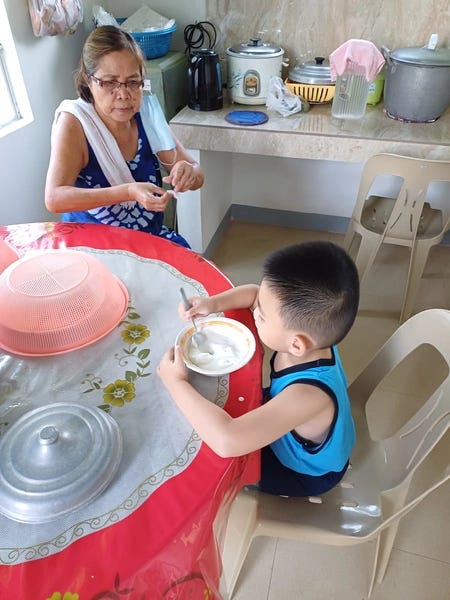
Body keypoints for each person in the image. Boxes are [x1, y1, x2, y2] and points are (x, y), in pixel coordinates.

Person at [157, 241, 360, 497]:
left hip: (303, 473)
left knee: (207, 462)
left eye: (262, 317)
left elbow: (228, 440)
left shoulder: (307, 396)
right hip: (290, 426)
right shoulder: (315, 339)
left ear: (296, 344)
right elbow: (254, 294)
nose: (255, 313)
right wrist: (211, 304)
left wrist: (176, 382)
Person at [45, 25, 204, 248]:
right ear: (88, 81)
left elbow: (197, 174)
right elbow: (55, 197)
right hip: (93, 245)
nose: (123, 94)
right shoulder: (76, 123)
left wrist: (188, 173)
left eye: (133, 82)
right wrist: (128, 191)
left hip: (149, 237)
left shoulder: (146, 116)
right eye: (109, 82)